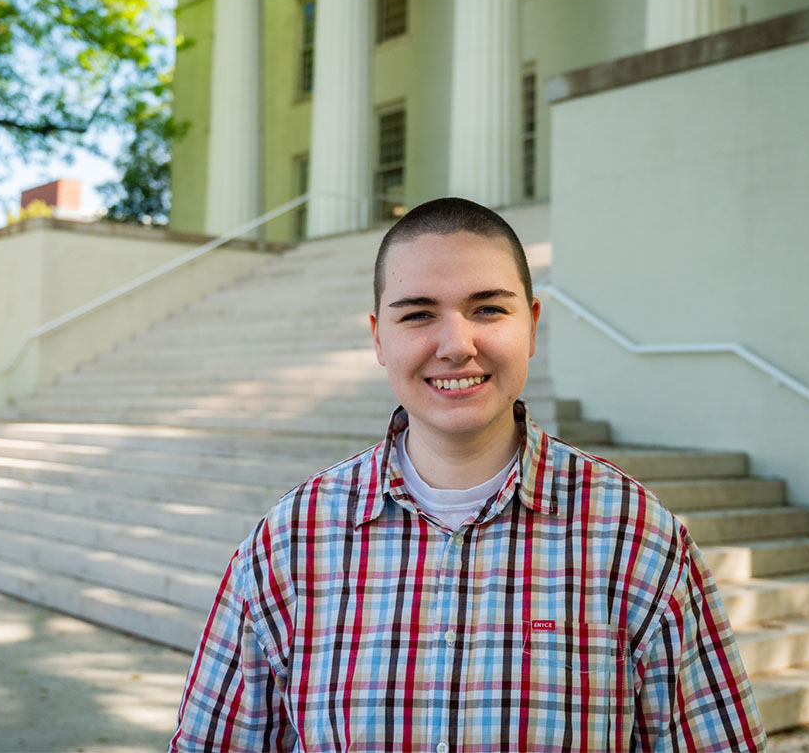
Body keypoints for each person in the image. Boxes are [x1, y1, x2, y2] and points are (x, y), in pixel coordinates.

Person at [170, 197, 766, 752]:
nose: (456, 345)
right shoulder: (288, 544)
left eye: (487, 309)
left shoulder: (636, 538)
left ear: (531, 324)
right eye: (418, 314)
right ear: (379, 338)